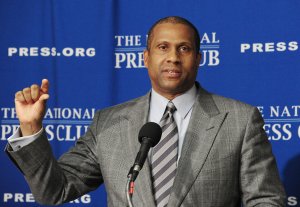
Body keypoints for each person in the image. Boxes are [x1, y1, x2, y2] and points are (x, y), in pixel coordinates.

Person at [6, 16, 286, 207]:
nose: (173, 57)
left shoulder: (239, 119)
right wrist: (30, 128)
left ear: (200, 58)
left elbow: (266, 200)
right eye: (163, 47)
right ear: (145, 57)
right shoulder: (109, 123)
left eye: (184, 48)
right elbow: (55, 190)